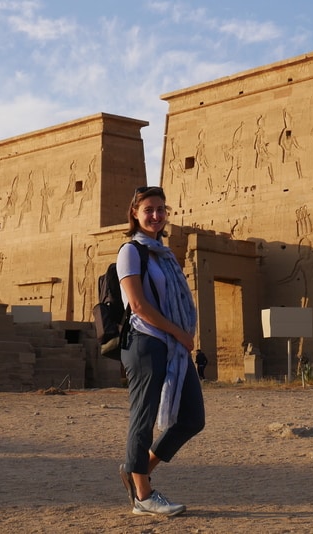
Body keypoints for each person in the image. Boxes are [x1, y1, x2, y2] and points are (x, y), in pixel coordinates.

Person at [116, 186, 205, 517]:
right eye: (148, 209)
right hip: (146, 342)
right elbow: (137, 304)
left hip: (173, 346)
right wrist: (179, 332)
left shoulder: (163, 254)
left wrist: (180, 336)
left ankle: (138, 470)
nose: (155, 215)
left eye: (161, 209)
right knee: (143, 420)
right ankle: (143, 495)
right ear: (135, 213)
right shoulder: (131, 251)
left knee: (193, 418)